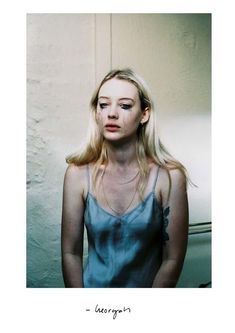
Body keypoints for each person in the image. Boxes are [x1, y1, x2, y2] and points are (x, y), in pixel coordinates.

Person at [61, 68, 189, 288]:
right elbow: (70, 252)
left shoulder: (169, 178)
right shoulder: (77, 174)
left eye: (125, 105)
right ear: (96, 112)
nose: (112, 113)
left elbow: (172, 259)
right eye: (104, 105)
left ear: (144, 114)